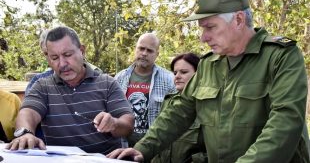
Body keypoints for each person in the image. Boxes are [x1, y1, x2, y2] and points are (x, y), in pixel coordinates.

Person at [107, 0, 310, 162]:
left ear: (238, 20)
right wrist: (143, 148)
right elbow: (179, 111)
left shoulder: (281, 56)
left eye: (210, 27)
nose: (203, 38)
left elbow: (286, 121)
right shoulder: (208, 65)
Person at [6, 26, 134, 155]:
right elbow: (27, 113)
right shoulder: (42, 86)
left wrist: (114, 123)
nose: (62, 64)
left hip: (104, 159)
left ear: (82, 51)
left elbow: (128, 124)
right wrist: (26, 133)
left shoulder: (107, 83)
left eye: (67, 55)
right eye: (54, 58)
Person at [114, 33, 176, 147]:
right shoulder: (119, 78)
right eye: (141, 48)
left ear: (157, 54)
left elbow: (175, 115)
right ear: (135, 49)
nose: (144, 53)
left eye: (149, 51)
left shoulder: (169, 80)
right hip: (123, 146)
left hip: (155, 148)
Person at [152, 52, 207, 163]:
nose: (177, 76)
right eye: (175, 72)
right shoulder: (168, 101)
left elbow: (219, 147)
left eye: (184, 72)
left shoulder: (208, 104)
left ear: (199, 74)